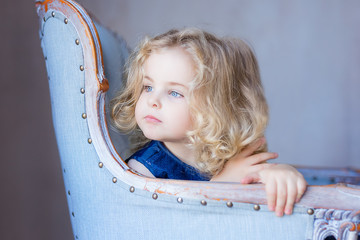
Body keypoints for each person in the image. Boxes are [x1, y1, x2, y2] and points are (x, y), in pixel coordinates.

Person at [110, 28, 307, 217]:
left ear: (215, 107)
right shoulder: (142, 171)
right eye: (148, 87)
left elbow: (261, 176)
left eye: (174, 93)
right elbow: (158, 229)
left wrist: (282, 173)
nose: (152, 101)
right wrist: (220, 185)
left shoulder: (227, 155)